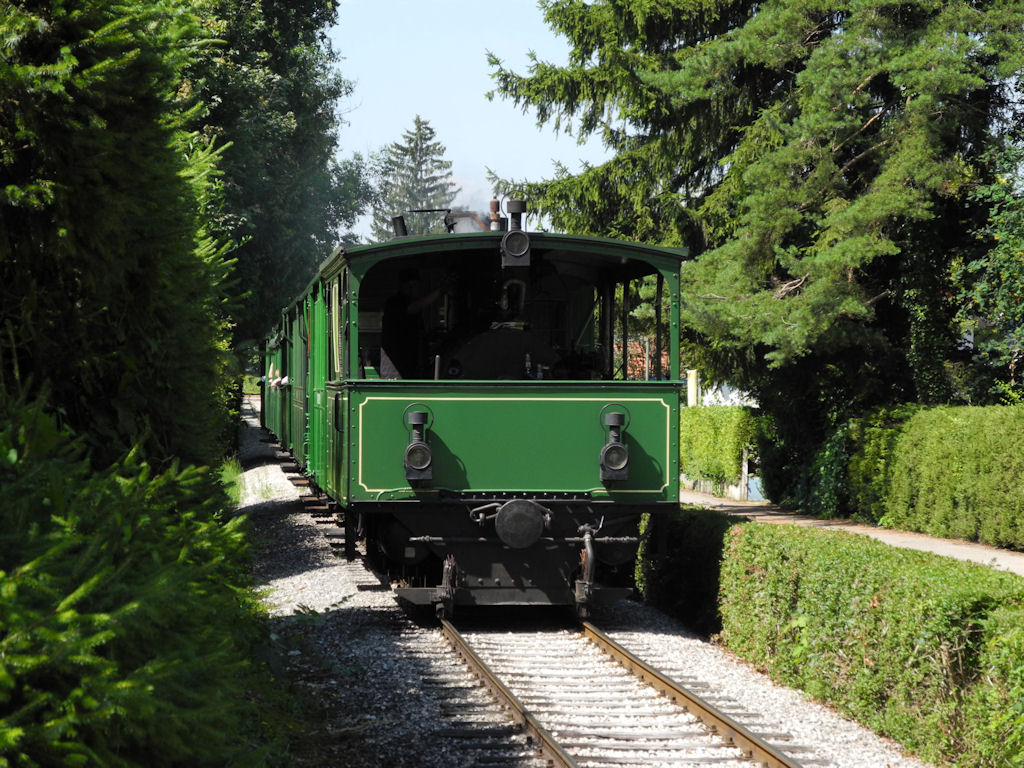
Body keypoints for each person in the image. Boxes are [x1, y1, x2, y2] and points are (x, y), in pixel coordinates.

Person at [380, 268, 445, 379]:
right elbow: (414, 307)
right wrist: (441, 291)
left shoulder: (412, 306)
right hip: (396, 370)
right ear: (408, 285)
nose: (419, 289)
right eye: (416, 285)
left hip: (411, 366)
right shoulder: (395, 302)